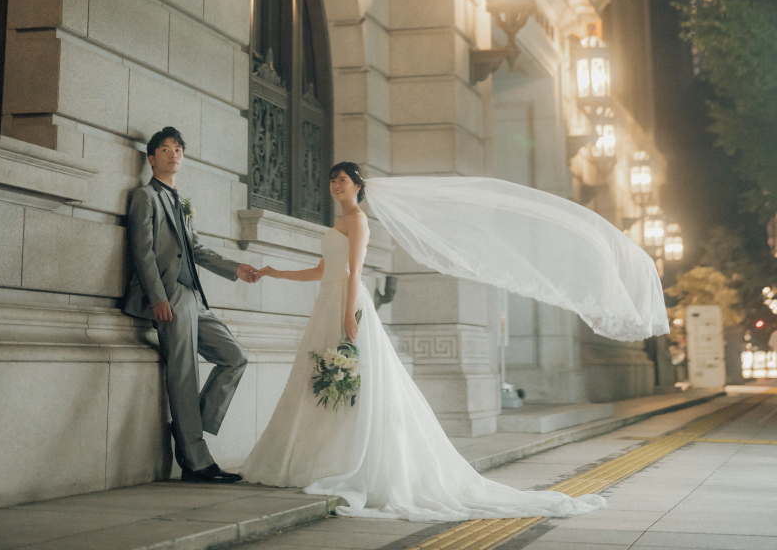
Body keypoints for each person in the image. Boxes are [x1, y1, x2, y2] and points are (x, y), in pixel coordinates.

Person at [241, 162, 607, 521]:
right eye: (332, 179)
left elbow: (354, 273)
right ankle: (318, 458)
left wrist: (348, 315)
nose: (336, 185)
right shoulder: (338, 222)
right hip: (329, 302)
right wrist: (275, 272)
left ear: (357, 186)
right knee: (322, 382)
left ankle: (350, 461)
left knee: (353, 383)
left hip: (345, 305)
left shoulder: (358, 221)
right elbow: (323, 272)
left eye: (343, 179)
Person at [123, 126, 259, 483]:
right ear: (152, 157)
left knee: (234, 357)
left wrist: (235, 268)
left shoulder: (182, 202)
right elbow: (142, 252)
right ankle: (197, 462)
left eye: (179, 149)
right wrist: (158, 298)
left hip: (195, 296)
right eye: (166, 149)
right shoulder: (145, 197)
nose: (174, 154)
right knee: (184, 374)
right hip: (170, 296)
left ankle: (187, 432)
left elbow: (196, 249)